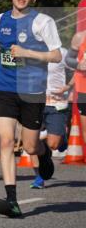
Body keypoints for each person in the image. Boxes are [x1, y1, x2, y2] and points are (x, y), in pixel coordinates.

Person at [0, 0, 62, 218]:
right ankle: (12, 199)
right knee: (6, 141)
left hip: (32, 90)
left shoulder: (42, 22)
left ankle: (43, 153)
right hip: (4, 88)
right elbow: (2, 46)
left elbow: (56, 55)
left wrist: (28, 53)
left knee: (31, 146)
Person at [34, 46, 71, 188]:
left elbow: (79, 70)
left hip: (56, 103)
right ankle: (39, 176)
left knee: (53, 144)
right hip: (35, 102)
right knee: (32, 140)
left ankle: (61, 138)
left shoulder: (63, 53)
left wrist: (68, 87)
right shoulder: (31, 51)